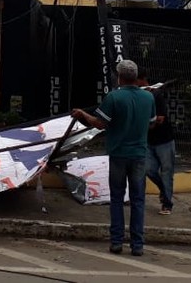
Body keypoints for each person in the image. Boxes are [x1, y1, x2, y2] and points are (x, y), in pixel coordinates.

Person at [72, 59, 155, 257]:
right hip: (139, 155)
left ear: (120, 77)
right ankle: (137, 245)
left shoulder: (114, 97)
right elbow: (151, 123)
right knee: (138, 200)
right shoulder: (148, 98)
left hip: (118, 154)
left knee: (117, 199)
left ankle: (116, 242)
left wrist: (83, 114)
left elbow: (99, 124)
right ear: (135, 77)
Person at [142, 70, 175, 216]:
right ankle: (163, 190)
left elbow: (160, 118)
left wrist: (146, 124)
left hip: (164, 140)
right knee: (148, 169)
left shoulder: (156, 95)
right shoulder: (140, 96)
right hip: (149, 140)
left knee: (167, 172)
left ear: (142, 80)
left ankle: (167, 203)